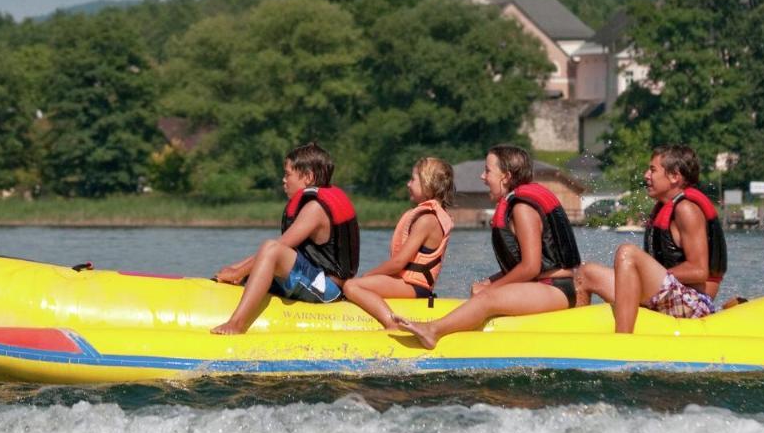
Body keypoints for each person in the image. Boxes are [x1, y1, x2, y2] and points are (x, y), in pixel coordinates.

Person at [395, 145, 581, 349]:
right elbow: (524, 267)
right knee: (483, 290)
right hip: (543, 286)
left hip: (555, 289)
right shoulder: (517, 204)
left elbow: (530, 267)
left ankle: (433, 331)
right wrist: (488, 281)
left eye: (488, 170)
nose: (483, 177)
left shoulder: (522, 208)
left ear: (506, 176)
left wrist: (491, 289)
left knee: (488, 297)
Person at [576, 144, 727, 333]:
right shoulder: (666, 208)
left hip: (694, 303)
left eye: (653, 170)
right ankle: (574, 336)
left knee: (627, 253)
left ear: (674, 176)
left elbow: (699, 271)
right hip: (669, 292)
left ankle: (622, 341)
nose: (646, 175)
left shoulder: (686, 210)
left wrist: (645, 276)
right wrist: (644, 277)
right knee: (586, 273)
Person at [211, 142, 359, 334]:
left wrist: (238, 272)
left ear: (308, 177)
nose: (283, 180)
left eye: (288, 174)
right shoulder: (313, 204)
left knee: (271, 248)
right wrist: (237, 269)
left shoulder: (315, 209)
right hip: (313, 277)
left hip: (327, 289)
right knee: (256, 259)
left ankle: (237, 324)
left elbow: (277, 249)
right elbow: (271, 254)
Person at [342, 157, 455, 329]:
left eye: (413, 179)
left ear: (428, 183)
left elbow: (398, 263)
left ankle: (391, 323)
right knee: (357, 283)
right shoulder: (426, 216)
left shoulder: (428, 220)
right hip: (407, 284)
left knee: (351, 285)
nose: (408, 184)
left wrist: (367, 276)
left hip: (415, 287)